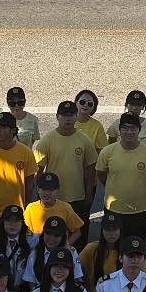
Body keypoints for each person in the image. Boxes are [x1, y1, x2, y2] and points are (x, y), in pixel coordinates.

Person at [37, 100, 100, 234]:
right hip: (54, 197)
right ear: (57, 117)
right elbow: (38, 169)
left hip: (77, 196)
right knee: (53, 233)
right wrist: (40, 194)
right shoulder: (47, 140)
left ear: (76, 116)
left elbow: (91, 168)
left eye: (71, 115)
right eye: (64, 115)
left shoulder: (84, 140)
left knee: (77, 233)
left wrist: (89, 192)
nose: (67, 118)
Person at [96, 112, 146, 240]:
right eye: (125, 128)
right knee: (111, 245)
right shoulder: (107, 151)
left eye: (133, 128)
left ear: (139, 130)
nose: (129, 132)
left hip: (139, 209)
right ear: (119, 130)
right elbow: (101, 174)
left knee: (136, 246)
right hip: (113, 207)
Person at [79, 211, 125, 289]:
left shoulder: (127, 250)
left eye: (115, 229)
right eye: (107, 229)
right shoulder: (91, 248)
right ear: (102, 231)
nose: (111, 233)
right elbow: (76, 267)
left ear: (120, 230)